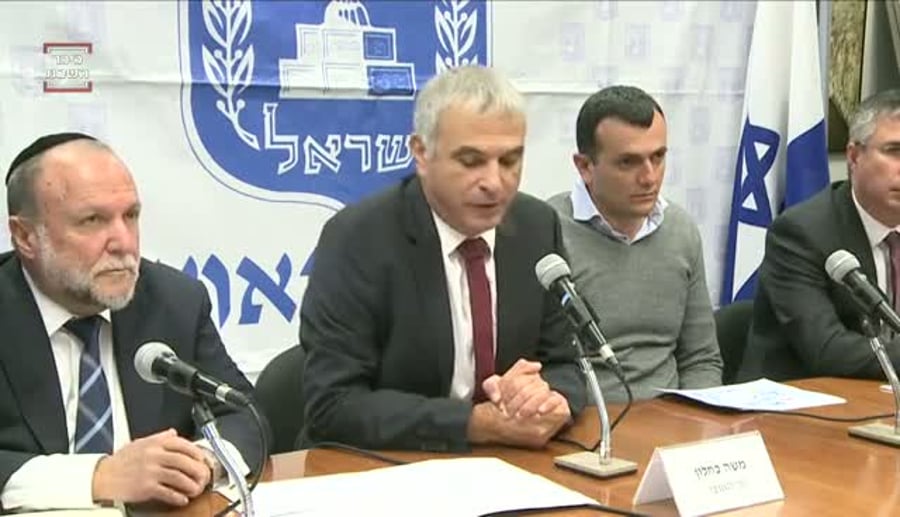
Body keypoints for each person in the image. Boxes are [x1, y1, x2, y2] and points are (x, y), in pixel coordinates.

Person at [299, 65, 586, 452]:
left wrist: (548, 400)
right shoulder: (359, 238)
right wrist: (473, 423)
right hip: (389, 463)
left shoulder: (537, 226)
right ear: (421, 153)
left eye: (509, 160)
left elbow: (568, 363)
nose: (494, 182)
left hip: (512, 460)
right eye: (471, 161)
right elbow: (334, 404)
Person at [0, 133, 261, 510]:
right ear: (25, 236)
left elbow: (243, 414)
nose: (123, 242)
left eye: (131, 216)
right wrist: (99, 476)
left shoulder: (174, 300)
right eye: (92, 220)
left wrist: (204, 460)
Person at [546, 85, 722, 402]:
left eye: (658, 157)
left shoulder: (680, 230)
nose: (649, 177)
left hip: (672, 419)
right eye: (628, 162)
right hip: (586, 421)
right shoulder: (547, 233)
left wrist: (698, 423)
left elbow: (701, 359)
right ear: (585, 167)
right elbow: (539, 367)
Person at [739, 89, 900, 381]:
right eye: (895, 151)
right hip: (800, 400)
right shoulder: (801, 233)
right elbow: (827, 351)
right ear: (854, 156)